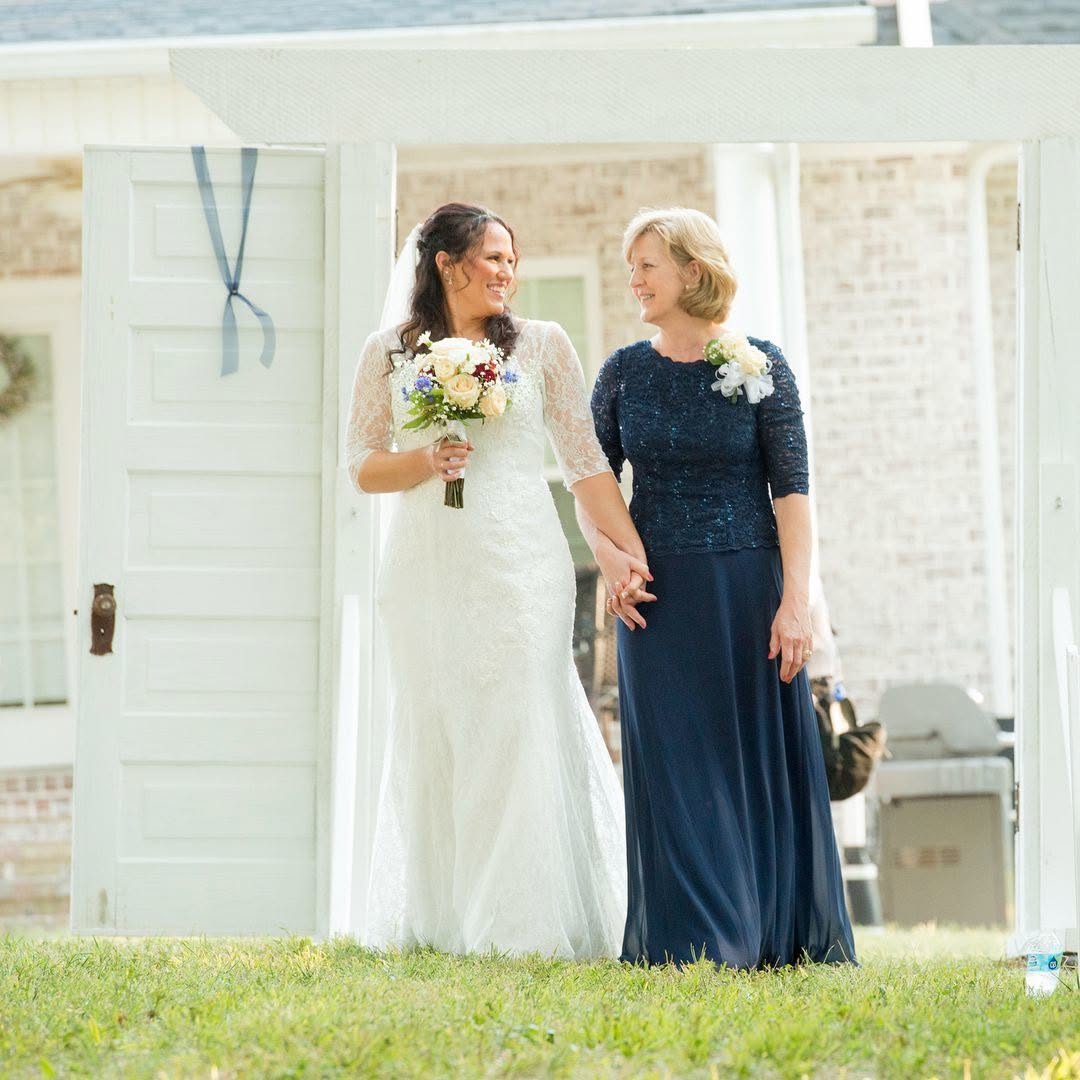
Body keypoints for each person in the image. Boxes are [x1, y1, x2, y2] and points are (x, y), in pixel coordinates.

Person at [344, 202, 649, 958]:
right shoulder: (388, 352)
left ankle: (525, 924)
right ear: (446, 265)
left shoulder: (543, 346)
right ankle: (450, 919)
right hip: (426, 569)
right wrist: (425, 462)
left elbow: (584, 462)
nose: (507, 272)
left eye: (513, 259)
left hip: (521, 564)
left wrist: (635, 550)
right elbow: (361, 464)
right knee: (440, 727)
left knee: (519, 720)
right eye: (492, 258)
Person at [582, 206, 856, 969]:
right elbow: (589, 481)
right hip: (655, 599)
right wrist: (606, 556)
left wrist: (795, 602)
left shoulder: (762, 364)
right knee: (676, 762)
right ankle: (697, 941)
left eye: (647, 266)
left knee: (749, 759)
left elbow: (793, 493)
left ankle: (763, 932)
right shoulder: (622, 373)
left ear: (692, 271)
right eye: (630, 265)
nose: (633, 279)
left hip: (747, 590)